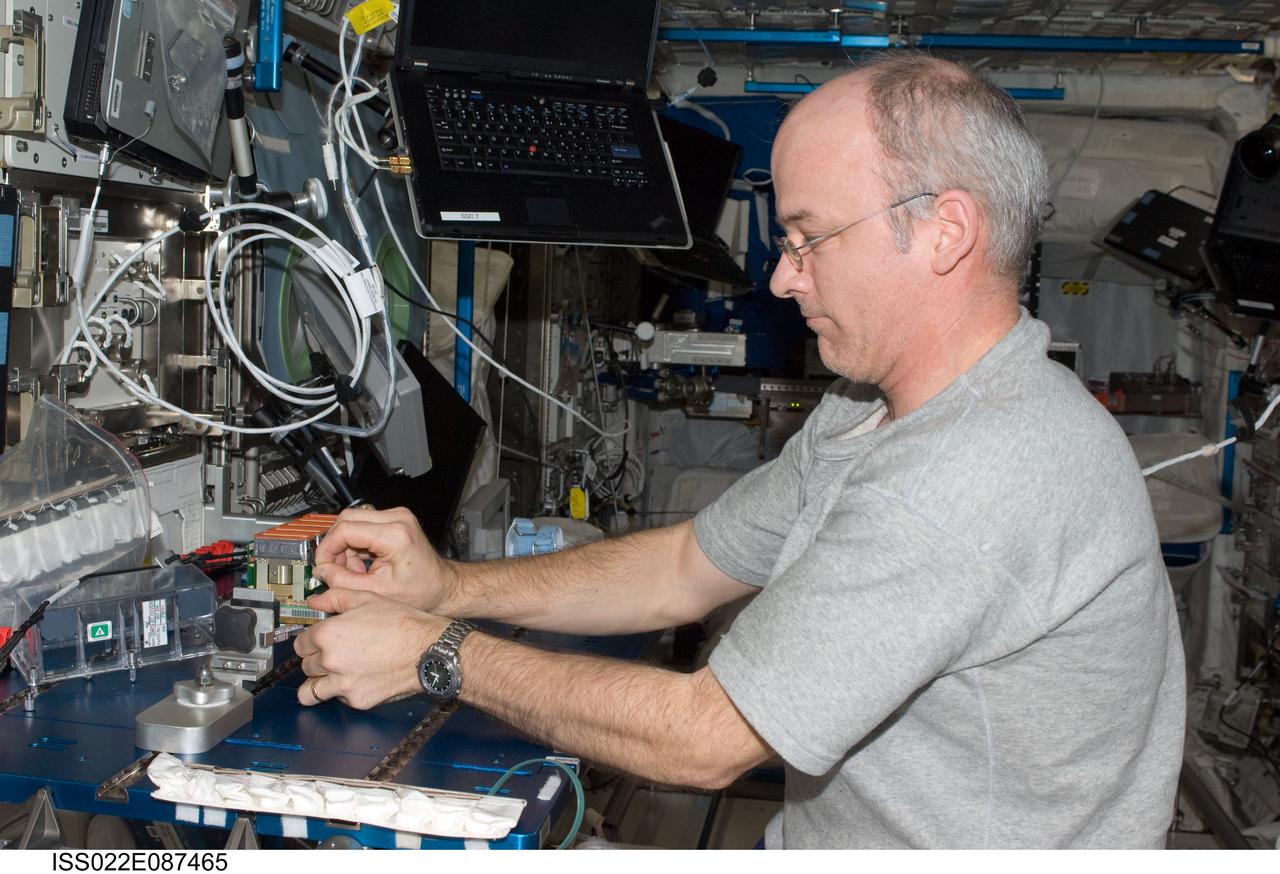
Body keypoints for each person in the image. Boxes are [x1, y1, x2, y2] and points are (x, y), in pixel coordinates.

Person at [293, 52, 1186, 848]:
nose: (784, 275)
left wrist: (437, 651)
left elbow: (702, 736)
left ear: (945, 232)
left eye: (809, 237)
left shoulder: (984, 465)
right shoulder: (865, 407)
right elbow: (689, 564)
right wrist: (448, 587)